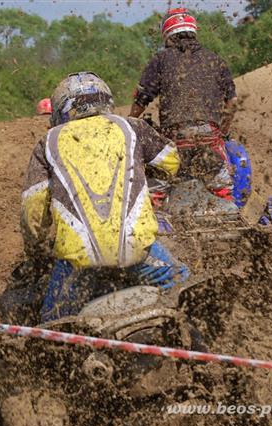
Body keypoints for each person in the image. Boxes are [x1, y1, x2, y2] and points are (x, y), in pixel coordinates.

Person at [21, 71, 190, 322]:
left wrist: (36, 253)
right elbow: (172, 164)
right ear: (105, 100)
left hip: (78, 265)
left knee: (52, 325)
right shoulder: (132, 127)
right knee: (184, 284)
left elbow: (32, 212)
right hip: (137, 253)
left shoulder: (47, 143)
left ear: (61, 110)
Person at [129, 8, 247, 205]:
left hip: (174, 140)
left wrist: (130, 121)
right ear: (193, 30)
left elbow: (142, 99)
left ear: (167, 34)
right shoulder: (215, 60)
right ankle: (231, 210)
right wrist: (222, 131)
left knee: (155, 193)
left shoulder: (160, 60)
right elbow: (233, 103)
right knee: (224, 188)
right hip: (209, 139)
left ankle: (156, 212)